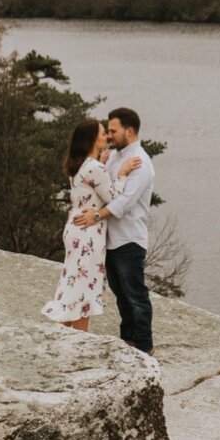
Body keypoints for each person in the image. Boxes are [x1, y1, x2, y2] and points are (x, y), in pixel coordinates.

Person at [42, 119, 142, 331]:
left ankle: (63, 334)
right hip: (89, 231)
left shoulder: (79, 164)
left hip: (74, 226)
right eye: (102, 133)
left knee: (72, 280)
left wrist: (104, 166)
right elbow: (113, 197)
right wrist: (122, 173)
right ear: (92, 140)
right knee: (84, 285)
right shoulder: (95, 168)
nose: (106, 136)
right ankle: (78, 336)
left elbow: (91, 190)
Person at [74, 107, 157, 355]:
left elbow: (124, 202)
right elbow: (105, 190)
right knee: (120, 293)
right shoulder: (114, 157)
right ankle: (128, 338)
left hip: (129, 239)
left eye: (113, 130)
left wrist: (97, 215)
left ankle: (144, 345)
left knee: (135, 294)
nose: (109, 135)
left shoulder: (140, 162)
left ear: (129, 131)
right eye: (107, 131)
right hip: (110, 239)